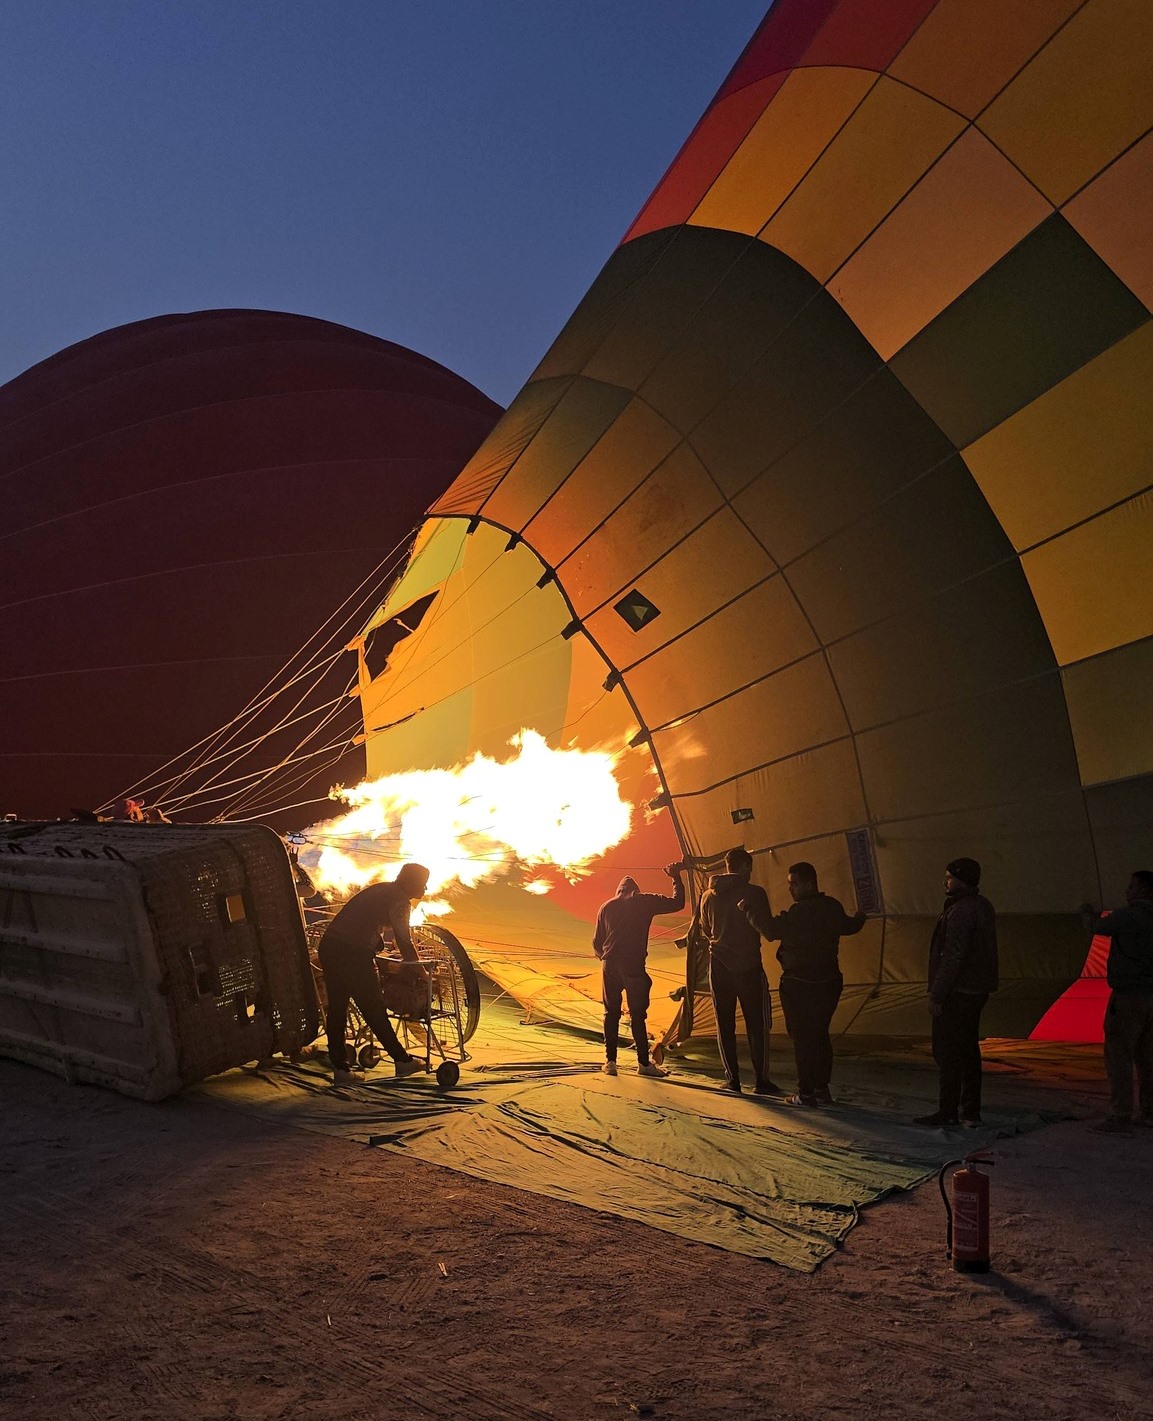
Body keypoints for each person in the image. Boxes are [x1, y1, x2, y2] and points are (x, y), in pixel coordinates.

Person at [740, 861, 865, 1106]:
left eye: (794, 884)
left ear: (809, 883)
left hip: (799, 984)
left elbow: (770, 930)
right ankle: (821, 1088)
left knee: (802, 1038)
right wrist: (861, 916)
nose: (791, 890)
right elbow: (850, 926)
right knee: (820, 1035)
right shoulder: (832, 907)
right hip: (829, 982)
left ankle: (805, 1092)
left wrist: (748, 910)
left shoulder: (799, 913)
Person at [316, 863, 431, 1086]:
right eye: (423, 883)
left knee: (338, 1008)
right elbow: (404, 941)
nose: (425, 888)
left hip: (331, 946)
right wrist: (422, 971)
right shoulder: (400, 901)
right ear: (412, 883)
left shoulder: (382, 889)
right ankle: (402, 1061)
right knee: (373, 1008)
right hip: (351, 952)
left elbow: (364, 921)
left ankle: (341, 1069)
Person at [913, 857, 998, 1128]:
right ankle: (970, 1111)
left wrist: (937, 993)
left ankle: (948, 1109)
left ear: (962, 879)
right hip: (976, 990)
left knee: (948, 1051)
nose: (945, 881)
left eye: (949, 877)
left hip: (958, 992)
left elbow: (953, 956)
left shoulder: (961, 911)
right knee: (968, 1049)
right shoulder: (983, 906)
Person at [698, 847, 783, 1095]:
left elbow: (706, 930)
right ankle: (761, 1081)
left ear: (726, 866)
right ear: (745, 867)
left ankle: (732, 1080)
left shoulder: (707, 896)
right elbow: (767, 928)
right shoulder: (754, 893)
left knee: (724, 1023)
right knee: (757, 1024)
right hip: (748, 966)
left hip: (719, 966)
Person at [593, 863, 685, 1077]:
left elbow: (597, 943)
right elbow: (677, 902)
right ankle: (643, 1065)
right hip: (633, 965)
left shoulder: (606, 907)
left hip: (610, 966)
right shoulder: (644, 901)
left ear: (619, 892)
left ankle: (610, 1063)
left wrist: (605, 958)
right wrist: (676, 876)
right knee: (637, 1015)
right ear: (636, 891)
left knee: (611, 1013)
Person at [1084, 871, 1153, 1135]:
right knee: (1148, 1057)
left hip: (1128, 996)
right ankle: (1149, 1112)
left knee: (1119, 1054)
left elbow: (1095, 928)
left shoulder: (1127, 916)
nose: (1127, 891)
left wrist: (1086, 910)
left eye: (1131, 886)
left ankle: (1121, 1114)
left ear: (1143, 890)